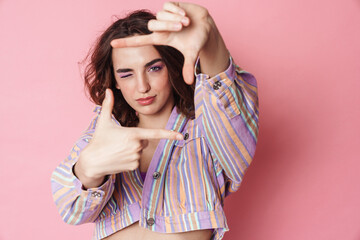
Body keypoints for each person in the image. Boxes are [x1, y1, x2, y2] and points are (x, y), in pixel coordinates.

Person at [51, 2, 259, 240]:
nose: (142, 86)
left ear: (171, 66)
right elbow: (71, 210)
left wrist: (210, 42)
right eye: (126, 73)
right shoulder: (104, 135)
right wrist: (88, 170)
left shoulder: (208, 130)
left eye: (154, 68)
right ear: (115, 81)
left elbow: (233, 111)